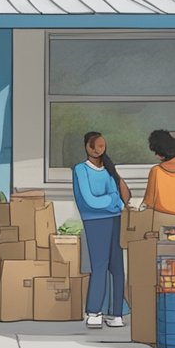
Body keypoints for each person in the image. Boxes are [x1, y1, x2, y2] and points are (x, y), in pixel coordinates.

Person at [72, 131, 131, 330]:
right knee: (99, 266)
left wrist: (111, 201)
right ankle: (94, 312)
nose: (99, 150)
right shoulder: (80, 169)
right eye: (95, 146)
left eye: (102, 146)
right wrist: (112, 201)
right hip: (94, 221)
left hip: (115, 219)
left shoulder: (109, 169)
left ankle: (116, 314)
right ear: (87, 147)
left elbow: (117, 195)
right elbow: (89, 200)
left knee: (117, 267)